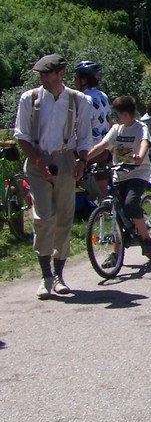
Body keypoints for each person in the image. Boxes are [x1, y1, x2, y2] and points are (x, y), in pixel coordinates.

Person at [13, 54, 93, 298]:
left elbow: (85, 136)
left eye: (47, 74)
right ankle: (46, 275)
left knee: (64, 217)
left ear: (60, 74)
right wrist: (38, 160)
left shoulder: (79, 100)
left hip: (65, 158)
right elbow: (21, 135)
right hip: (38, 158)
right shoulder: (30, 98)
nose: (43, 78)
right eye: (41, 74)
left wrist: (82, 161)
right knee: (44, 217)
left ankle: (59, 275)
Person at [85, 95, 151, 264]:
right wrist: (84, 159)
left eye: (116, 114)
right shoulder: (116, 129)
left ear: (125, 114)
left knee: (130, 204)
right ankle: (116, 253)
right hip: (119, 174)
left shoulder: (141, 127)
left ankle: (146, 239)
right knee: (116, 211)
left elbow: (145, 143)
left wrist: (139, 157)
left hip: (138, 173)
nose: (114, 118)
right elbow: (103, 146)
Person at [73, 60, 112, 197]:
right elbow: (109, 122)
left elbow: (81, 127)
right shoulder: (103, 96)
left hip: (89, 150)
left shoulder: (84, 99)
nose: (73, 81)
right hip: (104, 149)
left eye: (76, 78)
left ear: (84, 80)